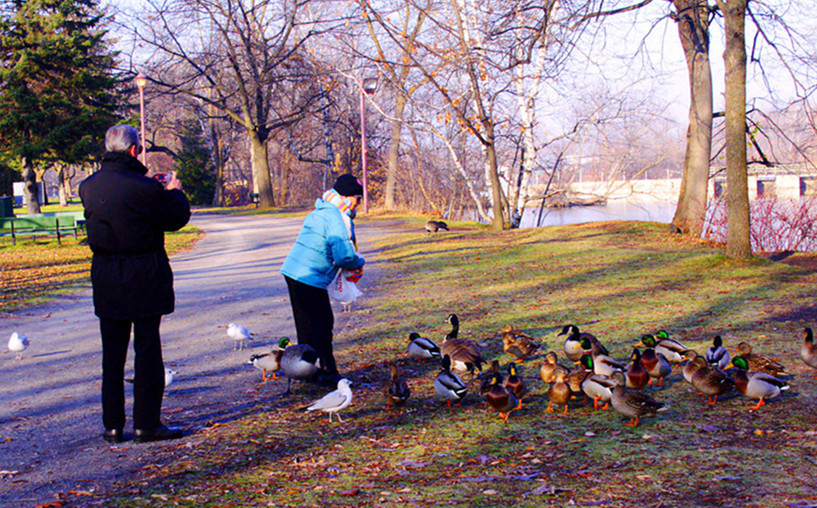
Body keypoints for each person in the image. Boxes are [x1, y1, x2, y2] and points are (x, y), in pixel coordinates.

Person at [79, 125, 191, 443]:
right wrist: (175, 191)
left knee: (112, 355)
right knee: (147, 350)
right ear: (132, 151)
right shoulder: (144, 188)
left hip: (106, 274)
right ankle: (146, 423)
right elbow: (175, 219)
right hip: (145, 273)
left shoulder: (88, 186)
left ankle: (113, 424)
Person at [280, 174, 365, 387]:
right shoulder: (337, 217)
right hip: (310, 277)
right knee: (323, 323)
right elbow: (344, 256)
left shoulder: (320, 211)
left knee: (306, 325)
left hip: (293, 272)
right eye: (358, 198)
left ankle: (307, 370)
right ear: (349, 197)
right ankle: (328, 372)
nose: (358, 204)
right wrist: (359, 261)